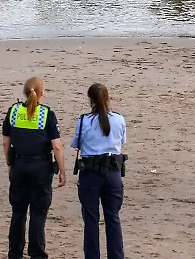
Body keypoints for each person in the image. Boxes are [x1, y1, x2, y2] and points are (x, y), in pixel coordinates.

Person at [3, 76, 66, 259]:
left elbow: (6, 143)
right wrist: (62, 170)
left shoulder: (13, 112)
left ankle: (15, 253)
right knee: (38, 214)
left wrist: (9, 163)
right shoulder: (47, 114)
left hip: (19, 166)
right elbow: (57, 146)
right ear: (41, 93)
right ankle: (37, 254)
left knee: (18, 212)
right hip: (40, 168)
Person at [71, 83, 127, 259]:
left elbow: (76, 144)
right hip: (113, 172)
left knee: (91, 220)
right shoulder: (119, 119)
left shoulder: (84, 120)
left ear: (90, 100)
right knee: (113, 218)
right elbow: (121, 141)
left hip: (91, 172)